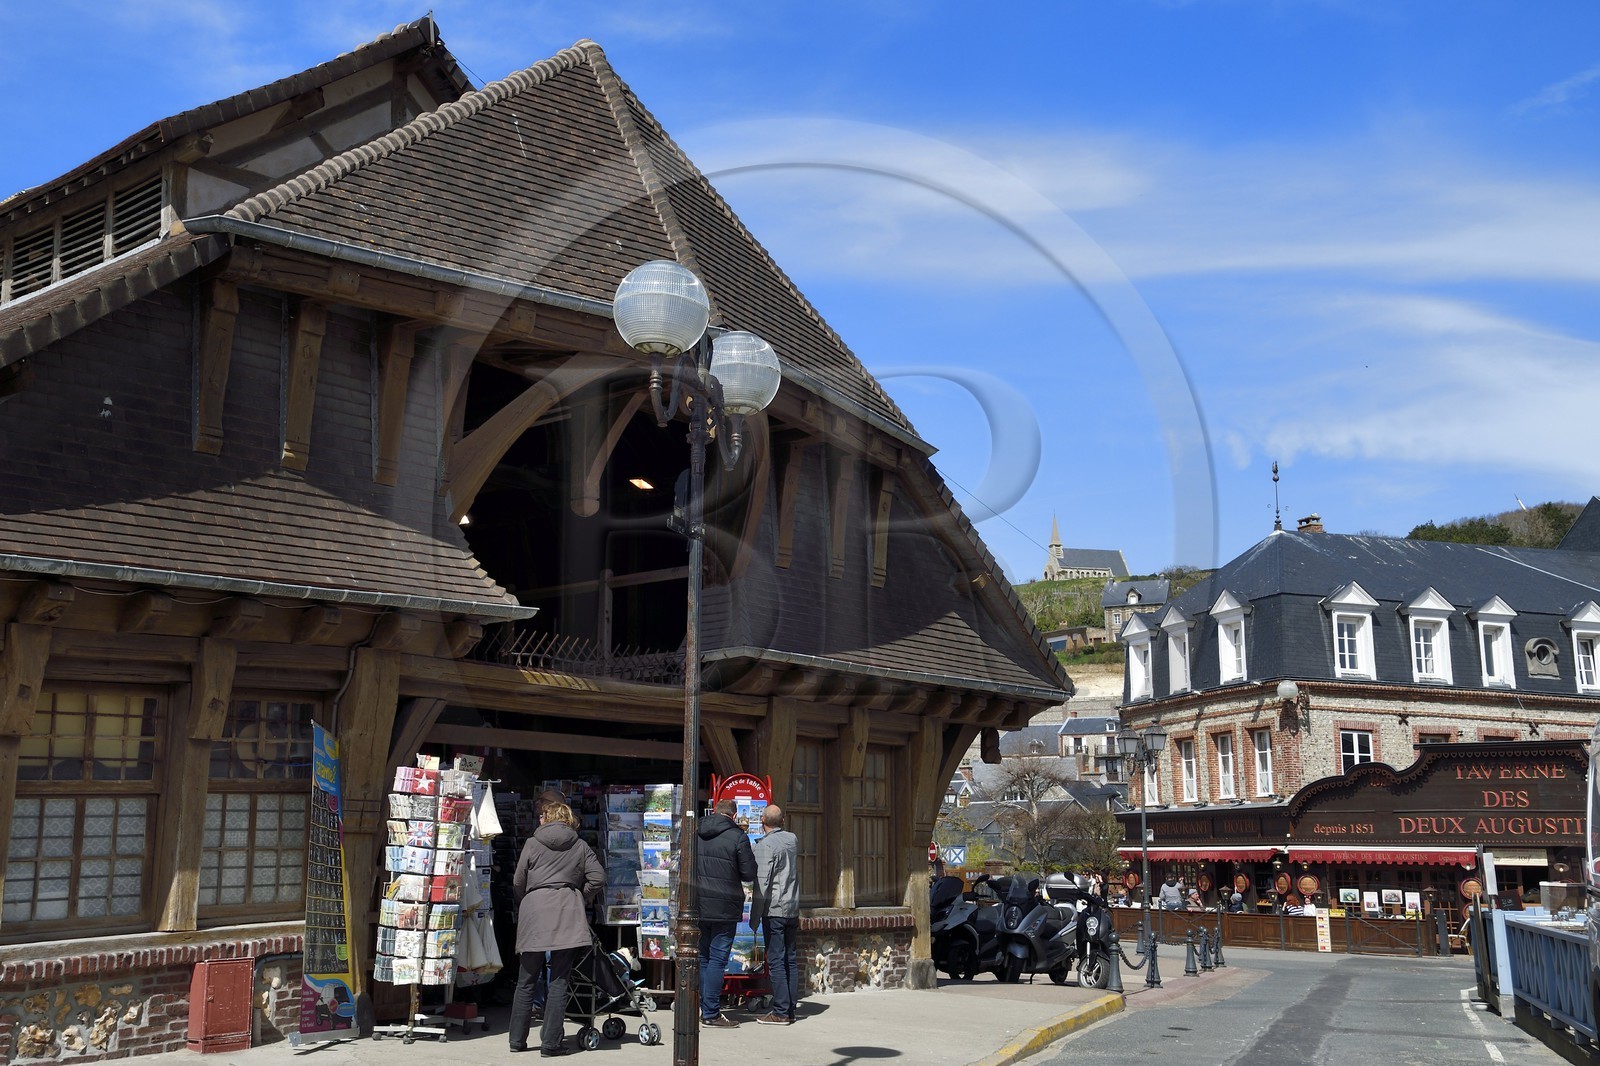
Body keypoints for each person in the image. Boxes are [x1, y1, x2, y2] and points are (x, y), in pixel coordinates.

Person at [510, 800, 603, 1057]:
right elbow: (598, 878)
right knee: (559, 979)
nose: (539, 819)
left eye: (542, 816)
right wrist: (579, 895)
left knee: (526, 979)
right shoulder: (580, 845)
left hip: (535, 912)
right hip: (566, 912)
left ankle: (517, 1040)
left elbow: (519, 880)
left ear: (548, 817)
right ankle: (551, 1043)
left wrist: (529, 898)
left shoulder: (532, 843)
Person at [696, 797, 757, 1029]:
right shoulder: (738, 837)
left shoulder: (697, 833)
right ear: (733, 815)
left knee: (703, 958)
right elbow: (749, 873)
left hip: (699, 906)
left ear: (713, 811)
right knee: (718, 960)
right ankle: (711, 1013)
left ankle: (704, 1007)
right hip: (725, 906)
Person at [750, 805, 800, 1026]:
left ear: (762, 821)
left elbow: (762, 884)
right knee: (790, 958)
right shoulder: (792, 839)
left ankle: (780, 1011)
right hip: (792, 906)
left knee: (777, 961)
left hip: (775, 909)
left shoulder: (766, 845)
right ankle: (789, 1008)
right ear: (783, 820)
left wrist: (754, 917)